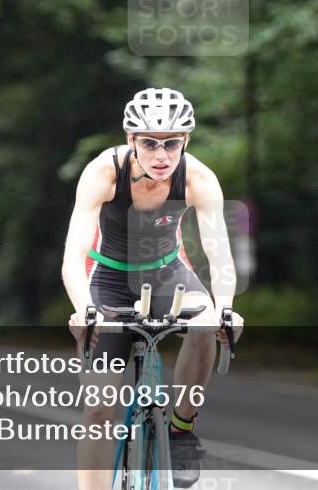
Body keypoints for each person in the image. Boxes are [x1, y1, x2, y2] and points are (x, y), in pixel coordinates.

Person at [62, 87, 244, 490]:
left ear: (186, 142)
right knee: (97, 411)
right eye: (149, 144)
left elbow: (219, 255)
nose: (161, 156)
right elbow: (73, 255)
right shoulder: (102, 173)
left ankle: (181, 427)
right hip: (108, 280)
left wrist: (227, 307)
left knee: (205, 322)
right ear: (131, 141)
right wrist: (84, 308)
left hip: (166, 273)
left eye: (172, 144)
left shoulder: (197, 177)